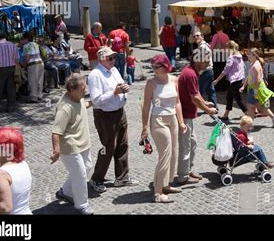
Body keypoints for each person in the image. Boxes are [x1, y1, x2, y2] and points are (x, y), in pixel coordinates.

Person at [88, 47, 138, 193]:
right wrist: (114, 92)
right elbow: (96, 100)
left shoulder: (114, 70)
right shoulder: (95, 75)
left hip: (119, 112)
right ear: (101, 59)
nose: (113, 60)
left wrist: (125, 88)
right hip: (105, 115)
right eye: (110, 58)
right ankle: (96, 178)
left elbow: (120, 86)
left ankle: (122, 177)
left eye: (114, 58)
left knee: (123, 144)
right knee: (108, 147)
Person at [141, 55, 187, 203]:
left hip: (172, 118)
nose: (153, 69)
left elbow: (178, 102)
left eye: (156, 66)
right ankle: (158, 192)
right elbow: (146, 106)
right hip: (158, 120)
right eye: (152, 66)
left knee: (174, 152)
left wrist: (181, 122)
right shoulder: (151, 83)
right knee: (165, 153)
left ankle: (166, 184)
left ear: (165, 66)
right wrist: (145, 126)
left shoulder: (174, 80)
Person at [51, 74, 93, 215]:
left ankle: (66, 191)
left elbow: (82, 106)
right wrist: (56, 150)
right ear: (71, 90)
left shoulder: (78, 98)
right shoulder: (64, 108)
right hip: (70, 147)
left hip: (83, 143)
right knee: (80, 175)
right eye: (83, 88)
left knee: (87, 167)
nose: (85, 89)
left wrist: (92, 103)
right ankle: (82, 206)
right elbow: (56, 131)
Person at [177, 48, 217, 185]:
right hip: (185, 115)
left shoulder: (192, 72)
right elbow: (194, 98)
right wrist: (207, 110)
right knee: (186, 145)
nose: (207, 63)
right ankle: (183, 175)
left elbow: (196, 93)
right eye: (206, 60)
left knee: (192, 143)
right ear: (198, 60)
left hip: (188, 114)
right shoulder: (191, 74)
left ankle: (188, 170)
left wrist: (205, 103)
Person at [240, 48, 274, 128]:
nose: (248, 56)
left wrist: (255, 91)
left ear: (254, 55)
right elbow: (249, 76)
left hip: (255, 89)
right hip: (255, 88)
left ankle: (249, 125)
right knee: (260, 106)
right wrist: (244, 86)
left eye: (249, 54)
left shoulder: (255, 65)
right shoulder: (254, 63)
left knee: (250, 107)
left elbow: (258, 80)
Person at [213, 40, 247, 120]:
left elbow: (225, 71)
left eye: (226, 48)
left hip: (234, 80)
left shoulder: (231, 58)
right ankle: (225, 115)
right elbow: (243, 66)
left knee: (238, 99)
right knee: (229, 97)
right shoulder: (239, 55)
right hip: (238, 79)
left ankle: (248, 114)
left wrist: (217, 80)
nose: (225, 50)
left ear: (229, 48)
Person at [0, 30, 19, 113]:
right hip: (11, 68)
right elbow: (16, 59)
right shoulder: (13, 45)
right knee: (11, 89)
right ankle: (11, 107)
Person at [194, 30, 218, 109]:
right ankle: (213, 107)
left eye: (198, 36)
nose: (196, 37)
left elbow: (206, 60)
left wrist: (200, 71)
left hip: (205, 71)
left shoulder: (202, 46)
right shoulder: (204, 45)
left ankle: (195, 107)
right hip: (209, 70)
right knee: (210, 90)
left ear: (202, 36)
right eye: (194, 36)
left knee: (198, 91)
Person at [22, 32, 44, 103]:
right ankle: (39, 95)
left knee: (33, 81)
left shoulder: (26, 46)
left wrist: (25, 65)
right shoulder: (36, 44)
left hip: (33, 64)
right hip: (40, 62)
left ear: (26, 39)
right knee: (39, 80)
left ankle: (33, 97)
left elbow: (27, 57)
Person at [210, 23, 230, 91]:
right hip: (225, 54)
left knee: (216, 70)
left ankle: (217, 87)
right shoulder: (226, 36)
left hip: (217, 54)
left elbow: (212, 46)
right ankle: (223, 87)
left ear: (216, 29)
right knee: (223, 70)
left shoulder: (216, 35)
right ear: (222, 29)